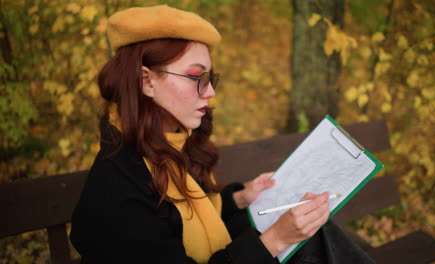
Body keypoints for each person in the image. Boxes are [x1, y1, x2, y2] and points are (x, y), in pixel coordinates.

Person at [70, 5, 375, 264]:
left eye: (210, 78)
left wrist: (241, 197)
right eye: (196, 77)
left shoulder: (165, 146)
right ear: (146, 81)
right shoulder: (118, 190)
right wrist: (275, 239)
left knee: (315, 233)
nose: (211, 92)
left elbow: (189, 219)